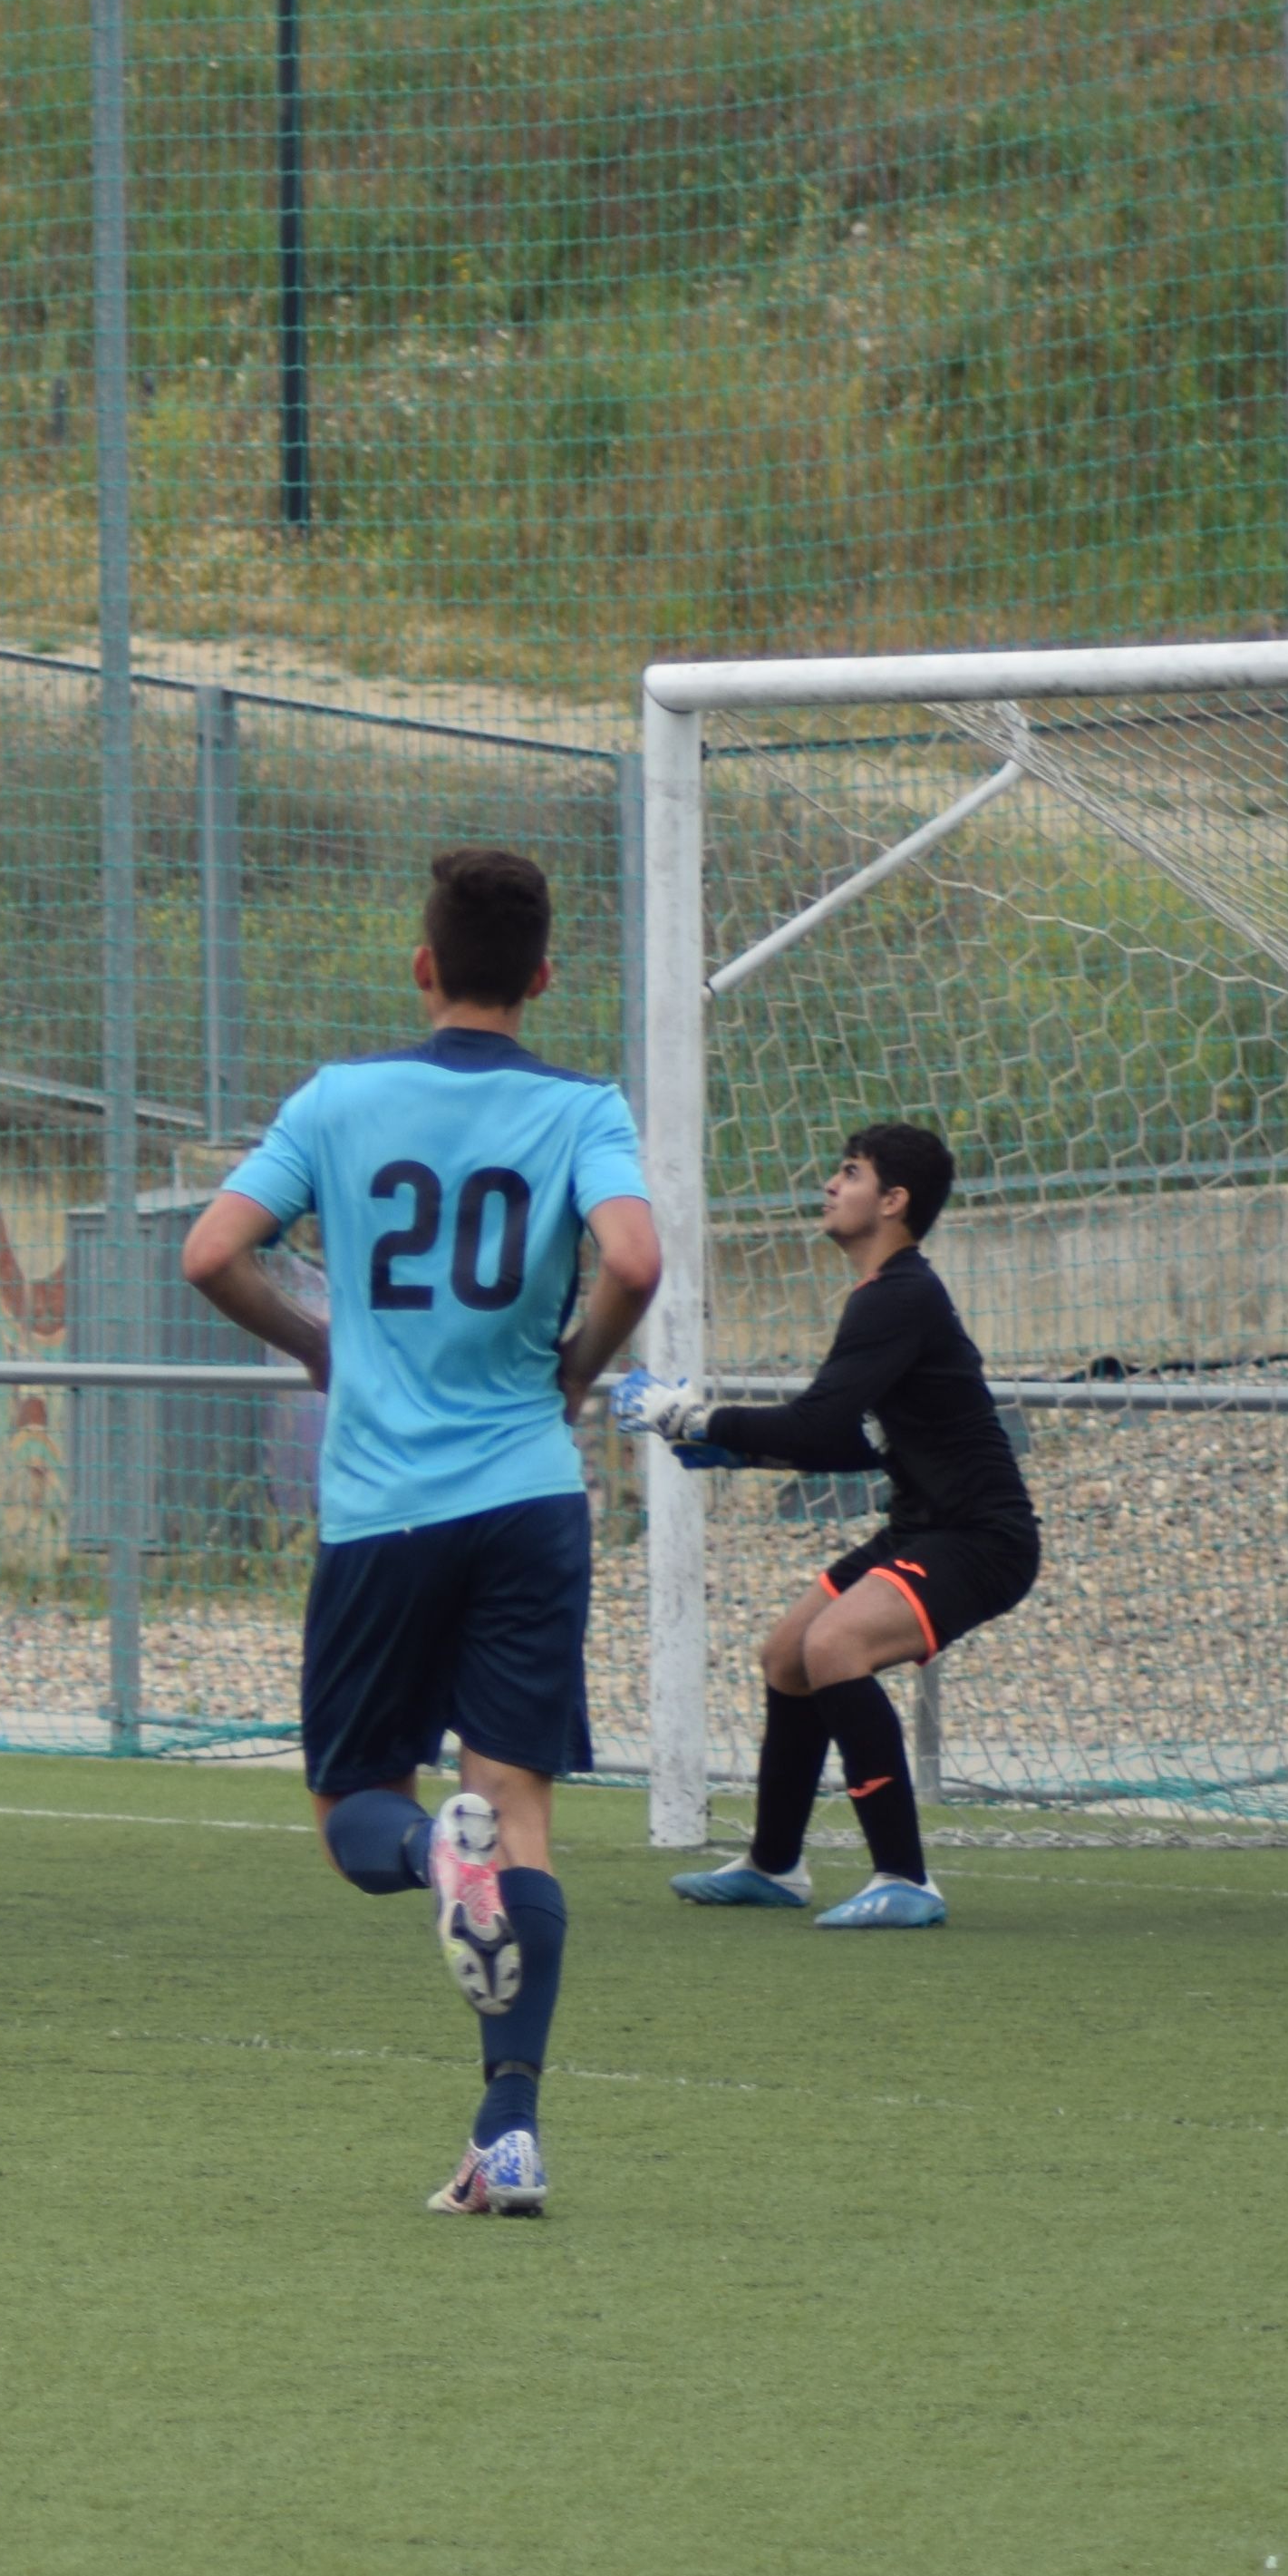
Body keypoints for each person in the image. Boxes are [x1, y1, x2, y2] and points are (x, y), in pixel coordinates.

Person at [179, 847, 662, 2217]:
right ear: (546, 979)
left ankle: (426, 1860)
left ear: (423, 967)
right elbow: (635, 1259)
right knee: (523, 1811)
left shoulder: (340, 1100)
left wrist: (317, 1344)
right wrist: (575, 1367)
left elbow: (211, 1251)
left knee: (355, 1809)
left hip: (384, 1509)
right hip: (526, 1494)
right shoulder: (584, 1108)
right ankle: (510, 2134)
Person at [612, 1122, 1036, 1931]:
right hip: (924, 1526)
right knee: (786, 1655)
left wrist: (693, 1415)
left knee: (834, 1647)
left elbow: (814, 1425)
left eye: (850, 1172)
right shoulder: (886, 1295)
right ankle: (774, 1864)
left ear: (894, 1201)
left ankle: (906, 1879)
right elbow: (851, 1443)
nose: (830, 1185)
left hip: (981, 1539)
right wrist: (724, 1446)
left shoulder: (901, 1294)